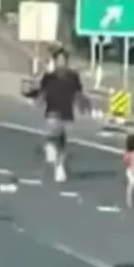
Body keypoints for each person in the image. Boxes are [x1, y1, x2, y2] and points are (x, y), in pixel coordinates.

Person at [38, 46, 88, 182]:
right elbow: (42, 91)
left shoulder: (73, 76)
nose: (62, 62)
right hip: (52, 111)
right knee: (51, 136)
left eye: (64, 60)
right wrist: (39, 101)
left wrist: (82, 105)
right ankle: (51, 152)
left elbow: (78, 92)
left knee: (63, 142)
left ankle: (59, 167)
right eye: (59, 60)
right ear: (55, 61)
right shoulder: (49, 76)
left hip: (67, 112)